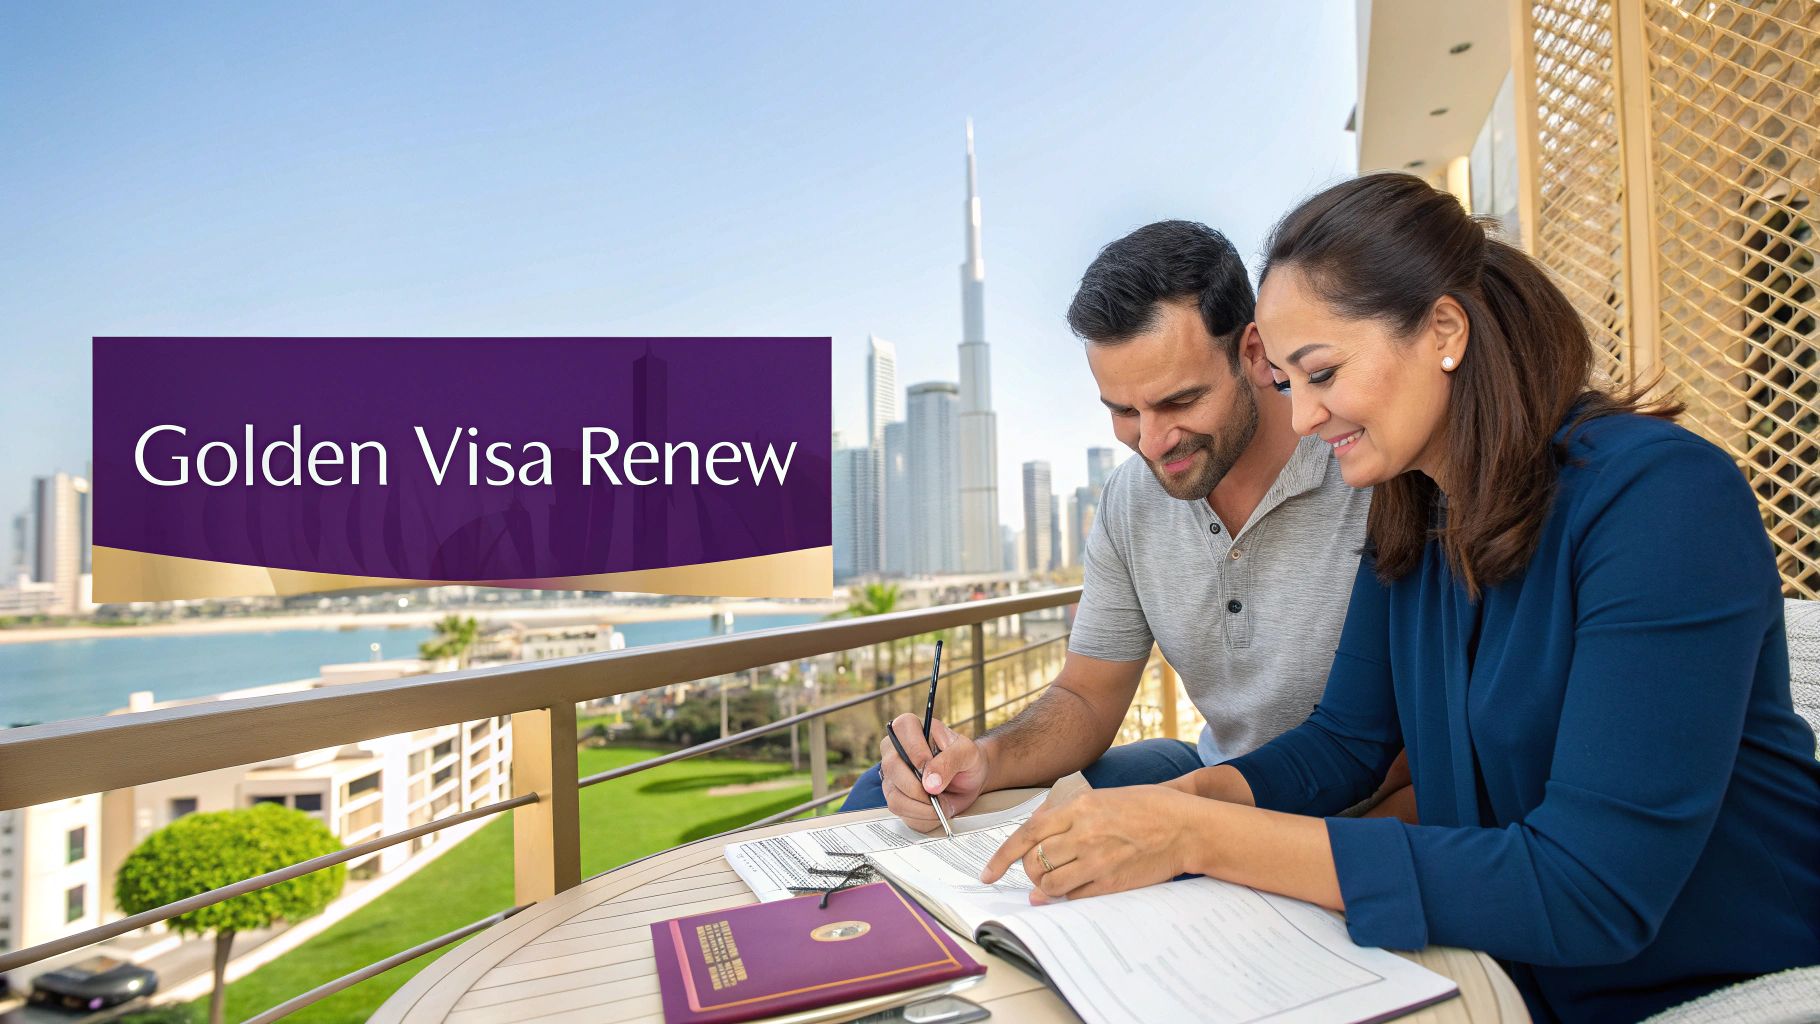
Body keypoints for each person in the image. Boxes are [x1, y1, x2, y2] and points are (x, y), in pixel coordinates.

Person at [981, 173, 1820, 1023]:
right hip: (1497, 966)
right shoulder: (1415, 510)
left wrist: (1201, 836)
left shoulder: (1662, 501)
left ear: (1444, 330)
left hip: (1709, 982)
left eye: (1321, 373)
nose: (1302, 417)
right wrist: (1191, 801)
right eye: (1288, 383)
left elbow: (1591, 888)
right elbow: (1345, 742)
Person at [842, 220, 1406, 825]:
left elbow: (1404, 761)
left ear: (1254, 353)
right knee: (881, 792)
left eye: (1180, 401)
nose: (1154, 442)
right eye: (1123, 411)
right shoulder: (1130, 499)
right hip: (1209, 780)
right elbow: (1087, 697)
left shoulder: (1369, 469)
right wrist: (982, 758)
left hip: (1349, 813)